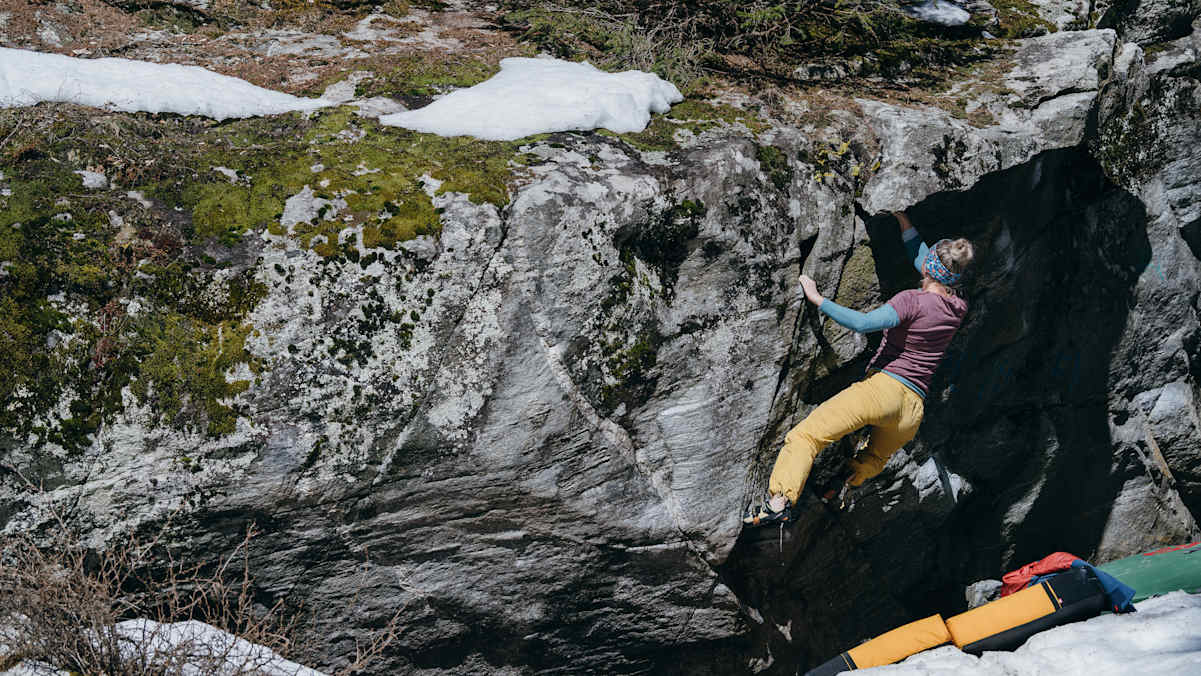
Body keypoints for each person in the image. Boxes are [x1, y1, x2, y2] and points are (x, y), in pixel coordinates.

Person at [744, 211, 975, 525]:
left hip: (883, 391)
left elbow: (864, 324)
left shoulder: (911, 301)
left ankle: (779, 501)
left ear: (930, 270)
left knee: (807, 436)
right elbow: (923, 257)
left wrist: (818, 299)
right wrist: (903, 220)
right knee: (874, 458)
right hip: (912, 412)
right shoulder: (958, 306)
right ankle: (840, 486)